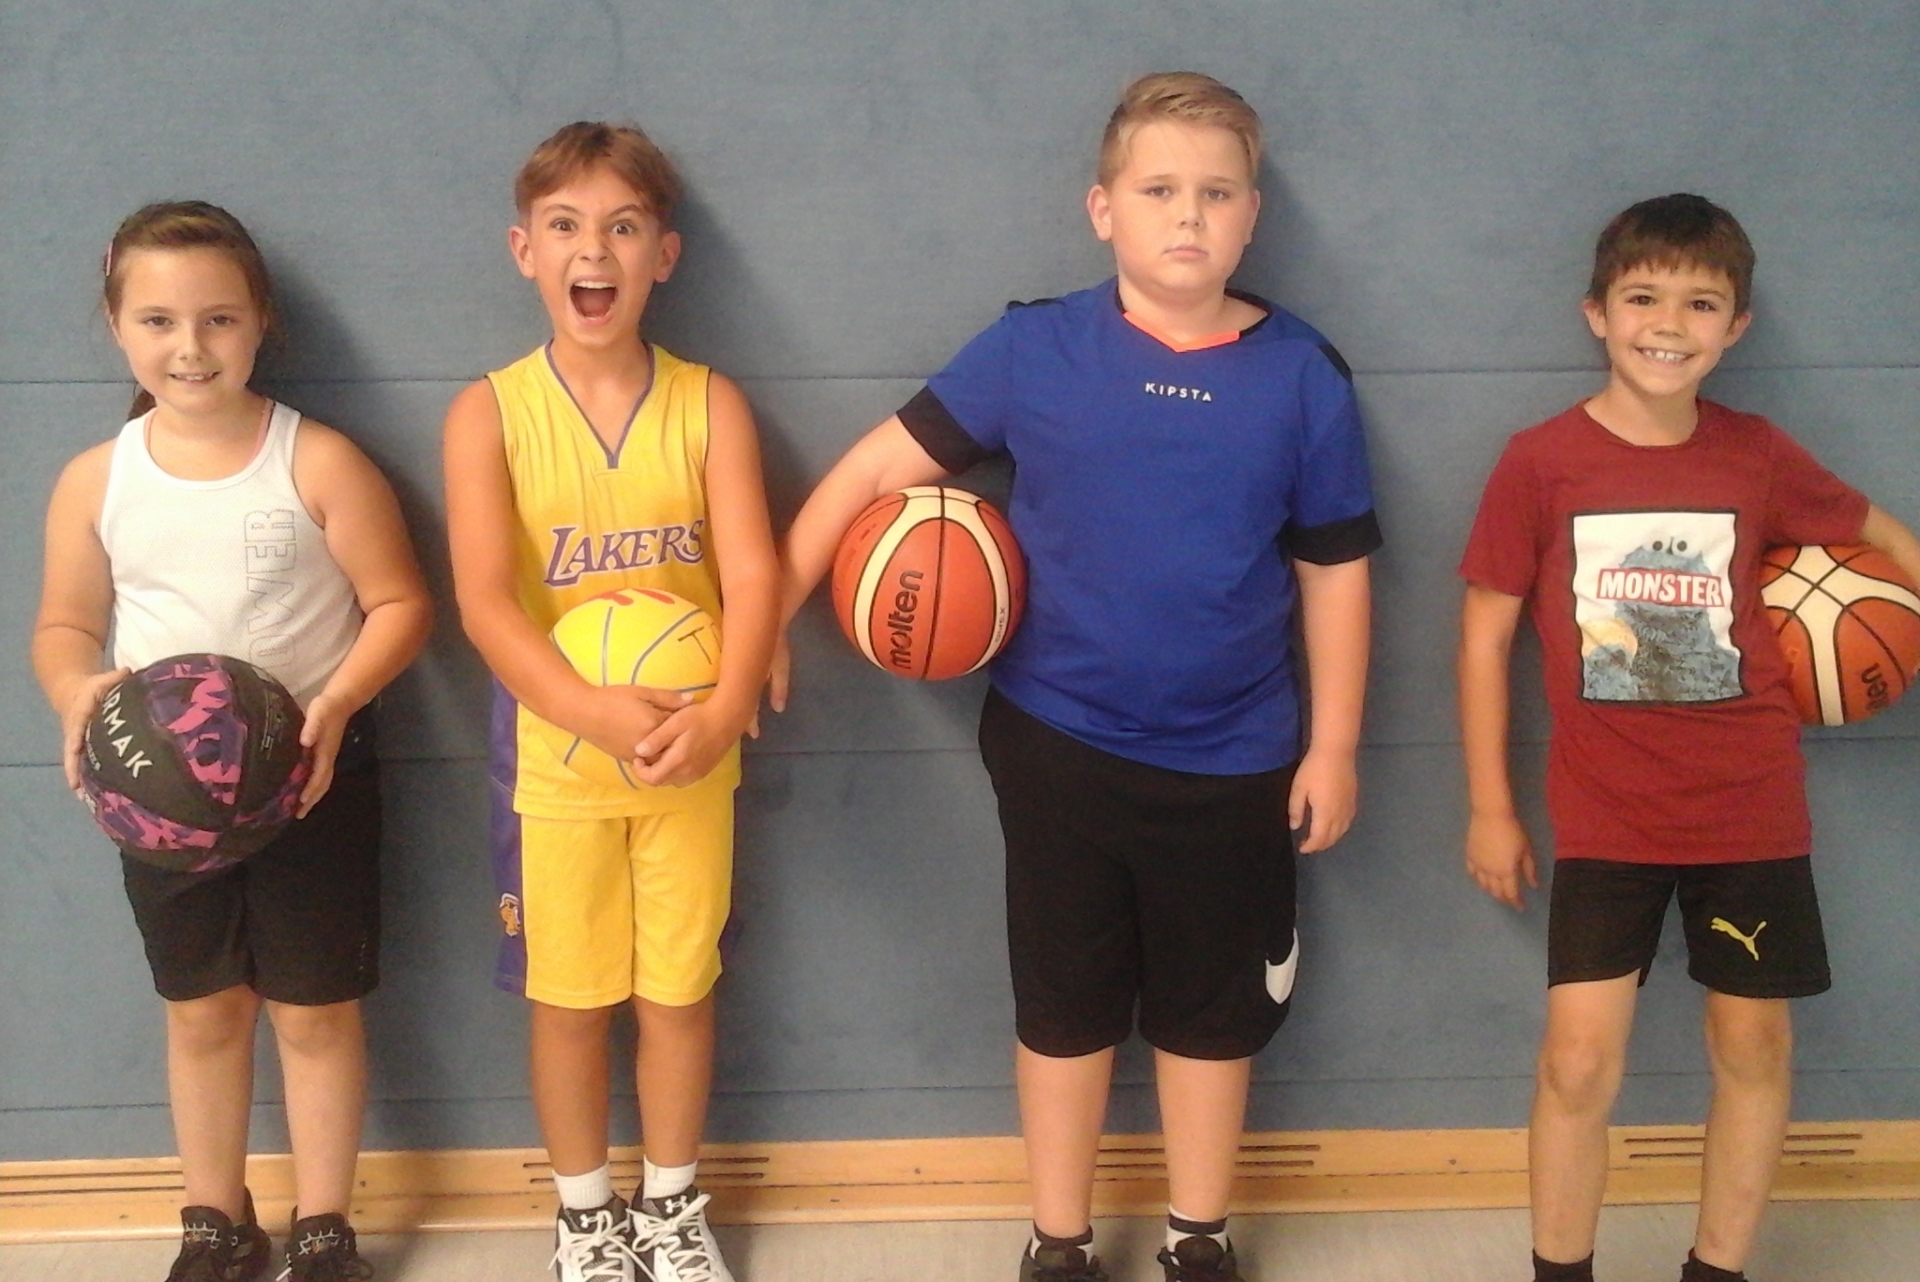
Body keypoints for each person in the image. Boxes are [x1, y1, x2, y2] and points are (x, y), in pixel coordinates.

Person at [776, 73, 1380, 1282]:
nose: (1188, 215)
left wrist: (1334, 744)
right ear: (1102, 209)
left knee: (1212, 1018)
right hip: (1058, 745)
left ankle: (1198, 1235)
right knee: (1064, 1007)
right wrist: (762, 630)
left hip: (1237, 758)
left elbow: (1335, 572)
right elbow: (867, 477)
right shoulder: (1033, 347)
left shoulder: (1305, 375)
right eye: (1158, 190)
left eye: (1216, 193)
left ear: (1253, 216)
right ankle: (1058, 1238)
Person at [1458, 194, 1920, 1282]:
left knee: (1752, 1047)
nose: (1669, 324)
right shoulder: (1540, 462)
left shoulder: (1756, 454)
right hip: (1606, 817)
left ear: (1736, 327)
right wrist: (1490, 806)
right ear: (1597, 312)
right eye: (1643, 297)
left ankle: (1717, 1271)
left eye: (1701, 303)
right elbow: (1483, 638)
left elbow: (1877, 534)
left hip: (1749, 808)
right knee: (1578, 1063)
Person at [32, 202, 432, 1282]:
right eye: (158, 320)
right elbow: (63, 627)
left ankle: (324, 1227)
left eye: (218, 318)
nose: (190, 346)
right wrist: (76, 695)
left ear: (261, 323)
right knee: (204, 1013)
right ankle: (215, 1221)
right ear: (116, 326)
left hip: (313, 780)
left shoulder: (320, 461)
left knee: (315, 1014)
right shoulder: (97, 480)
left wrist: (337, 704)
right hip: (160, 799)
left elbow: (400, 605)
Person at [443, 122, 778, 1282]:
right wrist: (585, 711)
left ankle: (671, 1207)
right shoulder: (489, 413)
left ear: (664, 256)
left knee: (679, 993)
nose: (595, 251)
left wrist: (725, 709)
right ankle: (586, 1217)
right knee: (571, 1000)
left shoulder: (709, 404)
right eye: (567, 226)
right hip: (558, 769)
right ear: (524, 250)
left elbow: (753, 579)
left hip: (692, 757)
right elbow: (485, 605)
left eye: (624, 227)